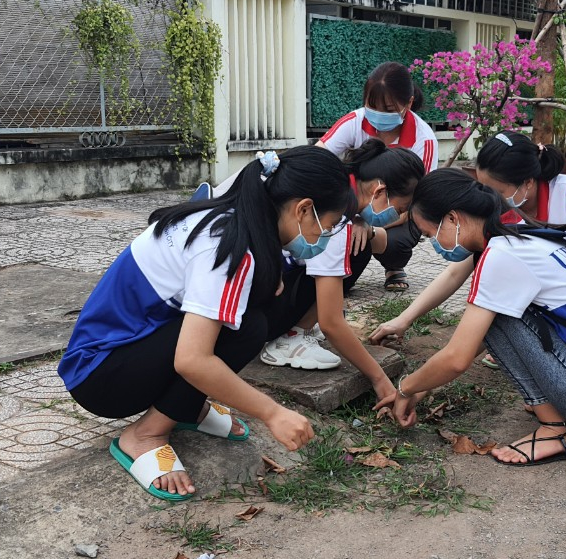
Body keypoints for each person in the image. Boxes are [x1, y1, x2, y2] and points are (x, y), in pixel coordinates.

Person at [58, 145, 349, 501]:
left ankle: (185, 406)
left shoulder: (232, 216)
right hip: (100, 376)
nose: (323, 239)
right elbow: (191, 360)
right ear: (304, 209)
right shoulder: (227, 247)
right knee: (245, 330)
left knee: (249, 320)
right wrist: (273, 412)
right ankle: (145, 435)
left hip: (122, 353)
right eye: (328, 227)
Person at [372, 169, 566, 466]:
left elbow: (458, 357)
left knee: (495, 317)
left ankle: (557, 431)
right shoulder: (524, 234)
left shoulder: (501, 256)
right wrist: (422, 388)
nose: (434, 243)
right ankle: (557, 418)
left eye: (431, 233)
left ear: (454, 219)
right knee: (493, 315)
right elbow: (480, 339)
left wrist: (406, 388)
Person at [368, 130, 566, 350]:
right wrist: (404, 318)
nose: (486, 197)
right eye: (482, 187)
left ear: (527, 182)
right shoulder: (500, 211)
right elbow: (455, 271)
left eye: (496, 190)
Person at [260, 140, 425, 390]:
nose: (398, 217)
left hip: (258, 286)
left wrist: (363, 224)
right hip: (255, 310)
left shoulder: (334, 183)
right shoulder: (335, 220)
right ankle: (289, 338)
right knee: (351, 251)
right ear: (379, 192)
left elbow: (378, 241)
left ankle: (298, 326)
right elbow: (332, 323)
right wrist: (378, 378)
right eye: (399, 209)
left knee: (359, 246)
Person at [318, 61, 438, 291]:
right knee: (347, 240)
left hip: (398, 215)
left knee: (395, 242)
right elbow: (317, 158)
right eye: (372, 106)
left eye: (389, 109)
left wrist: (370, 223)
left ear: (408, 103)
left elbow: (418, 203)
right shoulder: (354, 121)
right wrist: (351, 216)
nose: (380, 115)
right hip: (350, 208)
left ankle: (393, 264)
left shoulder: (424, 140)